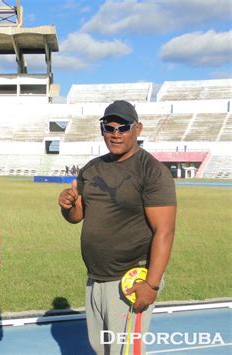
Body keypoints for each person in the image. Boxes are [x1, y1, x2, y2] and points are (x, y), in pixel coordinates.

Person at [58, 100, 176, 354]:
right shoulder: (92, 168)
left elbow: (164, 231)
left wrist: (152, 285)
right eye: (108, 127)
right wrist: (68, 205)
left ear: (138, 129)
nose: (115, 134)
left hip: (130, 282)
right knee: (102, 350)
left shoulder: (151, 171)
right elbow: (78, 216)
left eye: (123, 127)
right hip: (95, 279)